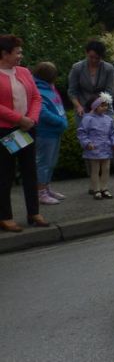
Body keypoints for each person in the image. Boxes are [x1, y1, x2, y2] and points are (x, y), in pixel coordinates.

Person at [68, 40, 114, 197]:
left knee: (113, 145)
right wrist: (78, 106)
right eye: (91, 57)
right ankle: (94, 184)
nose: (94, 60)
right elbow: (72, 91)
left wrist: (101, 108)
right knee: (89, 147)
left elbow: (109, 91)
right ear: (86, 53)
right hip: (84, 111)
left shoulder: (108, 68)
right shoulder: (77, 68)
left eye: (98, 58)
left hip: (104, 109)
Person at [0, 34, 50, 231]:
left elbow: (37, 98)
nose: (21, 55)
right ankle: (5, 216)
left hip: (27, 128)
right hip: (6, 130)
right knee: (5, 174)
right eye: (17, 52)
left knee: (30, 170)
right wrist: (19, 119)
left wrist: (31, 119)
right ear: (4, 53)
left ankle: (33, 212)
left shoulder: (24, 72)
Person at [33, 62, 68, 204]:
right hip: (45, 133)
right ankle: (41, 192)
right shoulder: (39, 91)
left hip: (54, 132)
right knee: (44, 162)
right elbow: (43, 113)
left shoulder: (50, 88)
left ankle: (46, 188)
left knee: (51, 162)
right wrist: (61, 122)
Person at [77, 93, 114, 200]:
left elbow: (112, 133)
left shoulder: (108, 119)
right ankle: (96, 189)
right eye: (102, 105)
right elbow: (82, 132)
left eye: (106, 105)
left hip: (106, 148)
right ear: (95, 106)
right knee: (95, 169)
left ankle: (104, 188)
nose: (105, 108)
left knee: (106, 168)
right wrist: (87, 143)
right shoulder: (88, 119)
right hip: (94, 148)